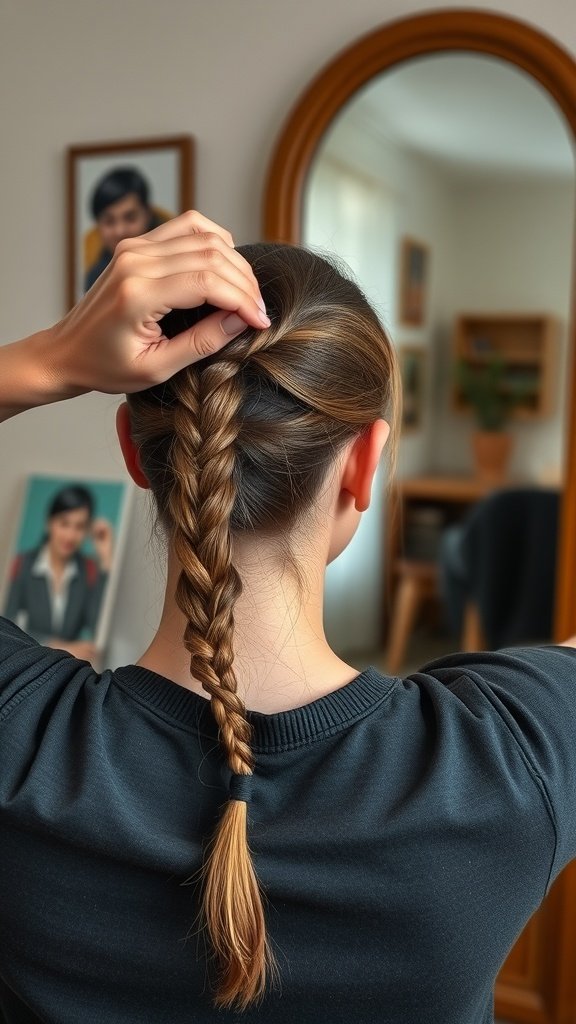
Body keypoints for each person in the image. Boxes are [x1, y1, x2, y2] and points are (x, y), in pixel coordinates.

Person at [0, 211, 575, 1024]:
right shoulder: (515, 758)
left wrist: (49, 359)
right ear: (364, 466)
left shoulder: (21, 739)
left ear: (135, 451)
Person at [3, 483, 112, 661]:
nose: (70, 535)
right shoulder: (24, 564)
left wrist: (105, 563)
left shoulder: (89, 570)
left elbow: (96, 627)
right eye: (64, 523)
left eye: (79, 527)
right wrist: (55, 646)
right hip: (29, 663)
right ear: (49, 523)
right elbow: (7, 626)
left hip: (69, 670)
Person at [84, 166, 165, 291]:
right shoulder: (96, 277)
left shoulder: (172, 263)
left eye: (130, 217)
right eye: (109, 221)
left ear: (148, 214)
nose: (120, 231)